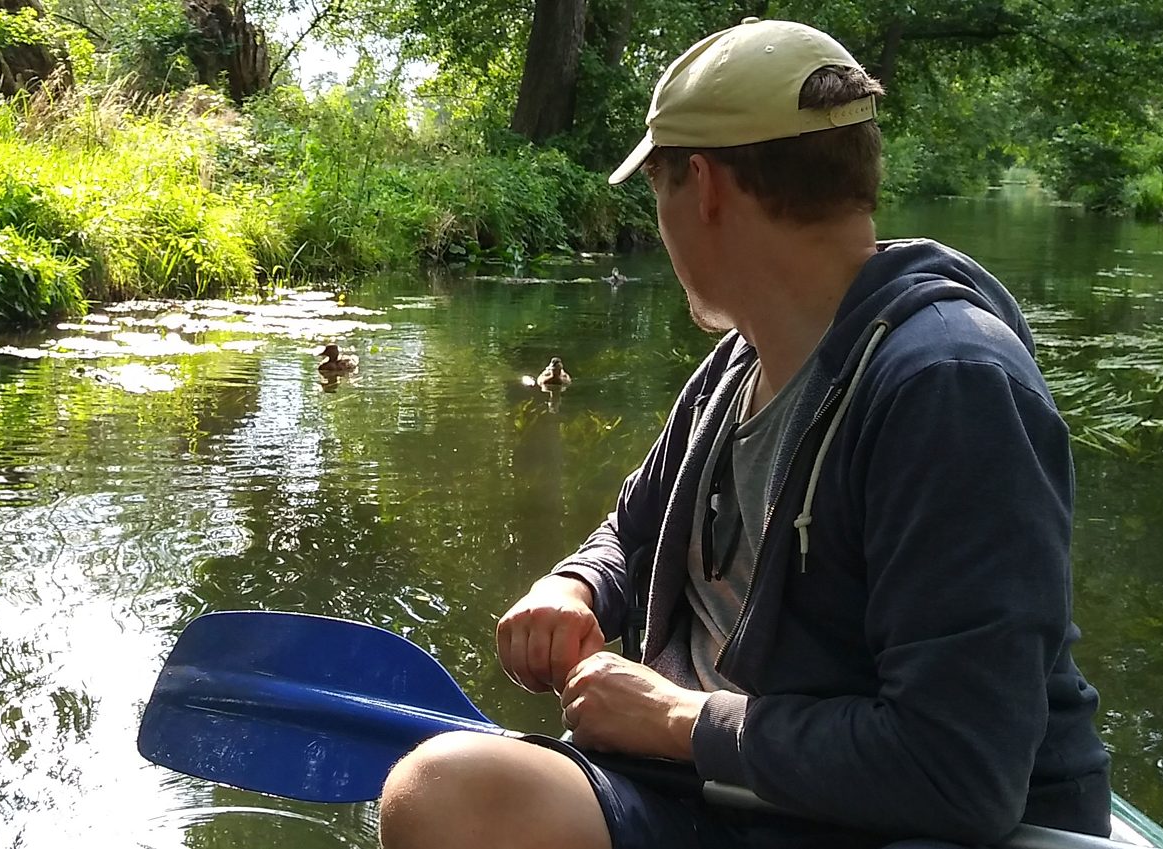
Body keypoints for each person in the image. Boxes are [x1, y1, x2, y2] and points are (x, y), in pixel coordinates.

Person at [377, 18, 1112, 849]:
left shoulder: (952, 386)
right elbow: (634, 528)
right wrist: (572, 588)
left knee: (445, 790)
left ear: (705, 186)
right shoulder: (740, 359)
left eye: (658, 194)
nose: (661, 225)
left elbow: (959, 770)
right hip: (722, 790)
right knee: (447, 793)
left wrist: (678, 719)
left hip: (888, 823)